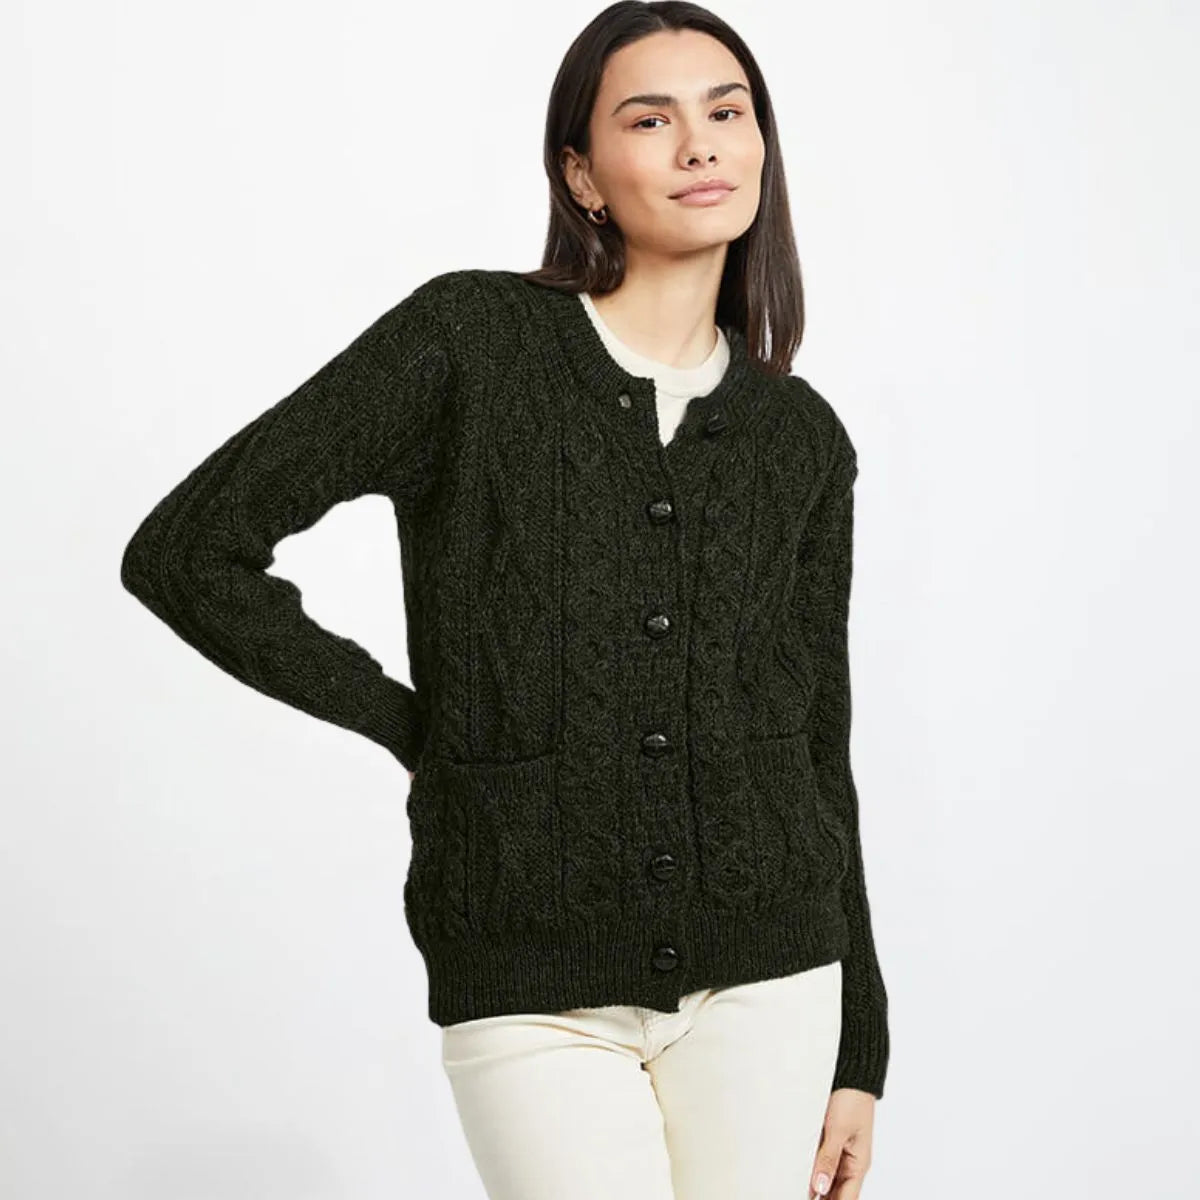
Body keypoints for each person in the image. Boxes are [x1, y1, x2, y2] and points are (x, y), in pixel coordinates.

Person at [120, 2, 890, 1197]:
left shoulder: (801, 436)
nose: (701, 144)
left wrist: (860, 1053)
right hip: (530, 971)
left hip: (776, 974)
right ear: (581, 174)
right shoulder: (472, 344)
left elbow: (815, 738)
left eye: (727, 112)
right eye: (652, 119)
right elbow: (187, 552)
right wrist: (415, 725)